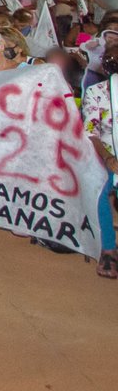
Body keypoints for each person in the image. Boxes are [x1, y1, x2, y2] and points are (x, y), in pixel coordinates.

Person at [81, 42, 118, 277]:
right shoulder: (96, 93)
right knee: (100, 192)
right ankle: (108, 249)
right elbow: (91, 131)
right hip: (106, 155)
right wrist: (107, 157)